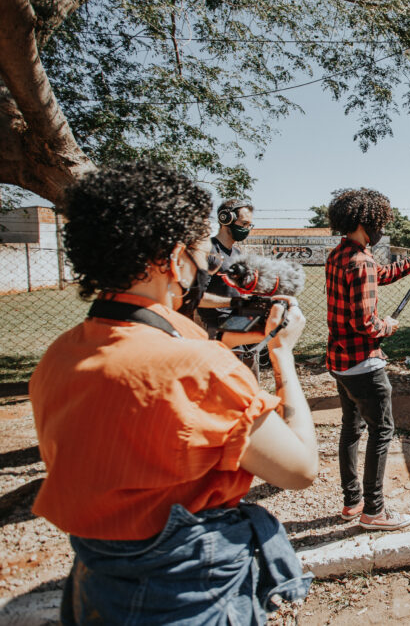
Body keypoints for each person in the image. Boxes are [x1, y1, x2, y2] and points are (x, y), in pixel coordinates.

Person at [29, 162, 318, 623]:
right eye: (201, 252)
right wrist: (282, 353)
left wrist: (223, 342)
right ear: (173, 258)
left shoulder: (59, 356)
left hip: (96, 586)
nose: (204, 266)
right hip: (187, 595)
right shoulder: (199, 368)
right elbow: (300, 469)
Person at [326, 188, 410, 531]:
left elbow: (383, 275)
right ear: (366, 221)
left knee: (351, 429)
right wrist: (388, 326)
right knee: (382, 431)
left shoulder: (340, 255)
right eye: (378, 222)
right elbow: (366, 324)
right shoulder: (360, 261)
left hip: (340, 363)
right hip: (364, 364)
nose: (380, 227)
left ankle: (353, 503)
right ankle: (374, 512)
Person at [197, 197, 264, 375]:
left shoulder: (237, 252)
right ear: (226, 219)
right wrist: (233, 302)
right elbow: (197, 298)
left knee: (249, 373)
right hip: (216, 327)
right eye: (243, 223)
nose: (247, 229)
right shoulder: (208, 251)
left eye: (250, 224)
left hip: (238, 322)